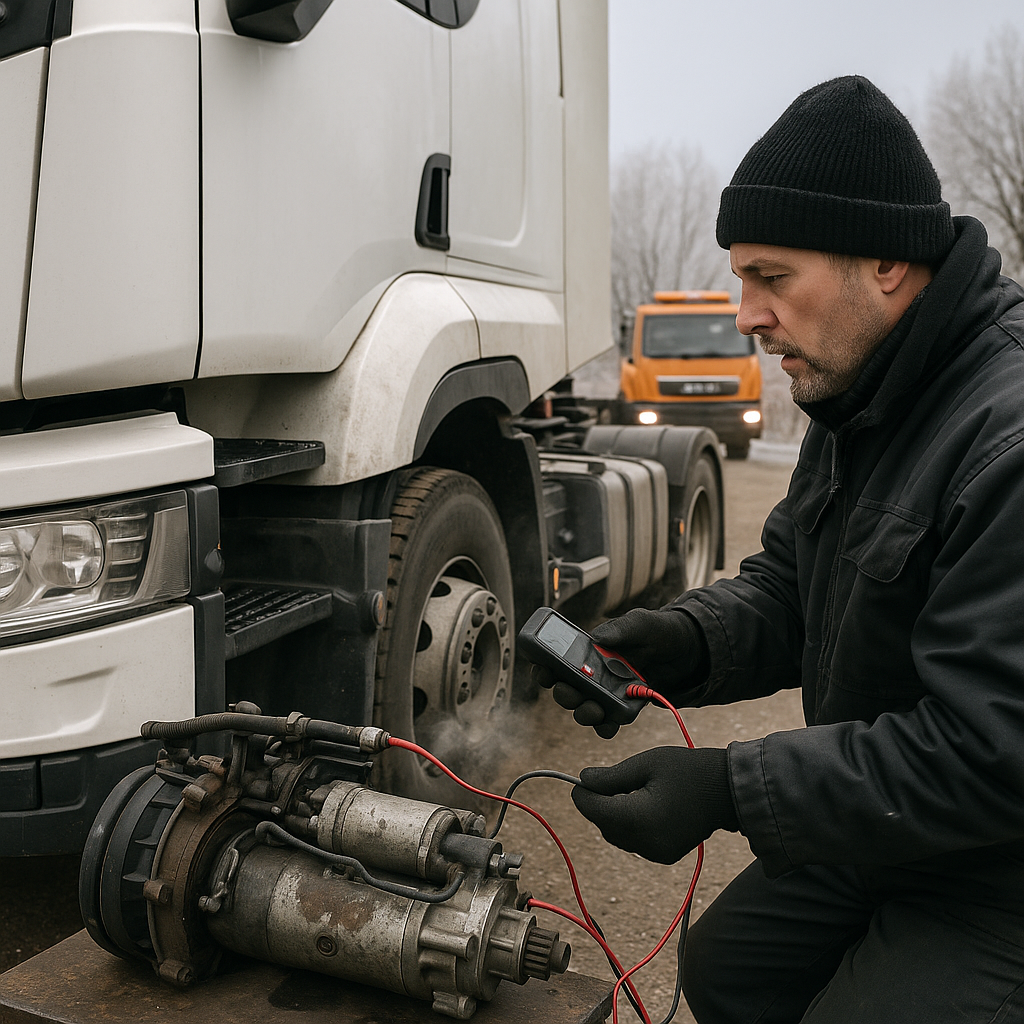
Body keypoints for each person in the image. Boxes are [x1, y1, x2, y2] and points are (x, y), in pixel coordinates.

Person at [533, 76, 1024, 1023]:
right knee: (728, 971)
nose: (746, 314)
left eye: (772, 277)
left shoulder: (1005, 440)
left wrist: (731, 788)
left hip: (999, 861)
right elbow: (793, 587)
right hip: (892, 824)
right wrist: (683, 643)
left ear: (885, 261)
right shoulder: (858, 395)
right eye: (741, 278)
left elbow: (992, 752)